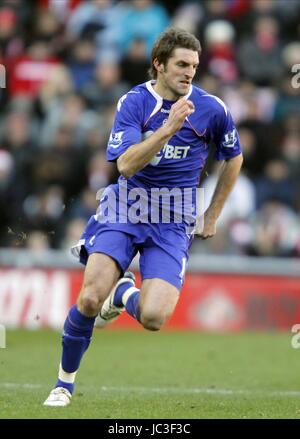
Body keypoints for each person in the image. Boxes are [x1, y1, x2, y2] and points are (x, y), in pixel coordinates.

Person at [43, 27, 243, 406]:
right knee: (88, 299)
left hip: (173, 219)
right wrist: (167, 129)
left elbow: (234, 157)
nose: (189, 73)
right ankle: (63, 384)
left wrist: (213, 213)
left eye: (195, 66)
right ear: (159, 65)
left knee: (154, 318)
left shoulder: (212, 108)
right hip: (127, 208)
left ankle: (123, 292)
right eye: (181, 65)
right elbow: (126, 165)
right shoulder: (134, 102)